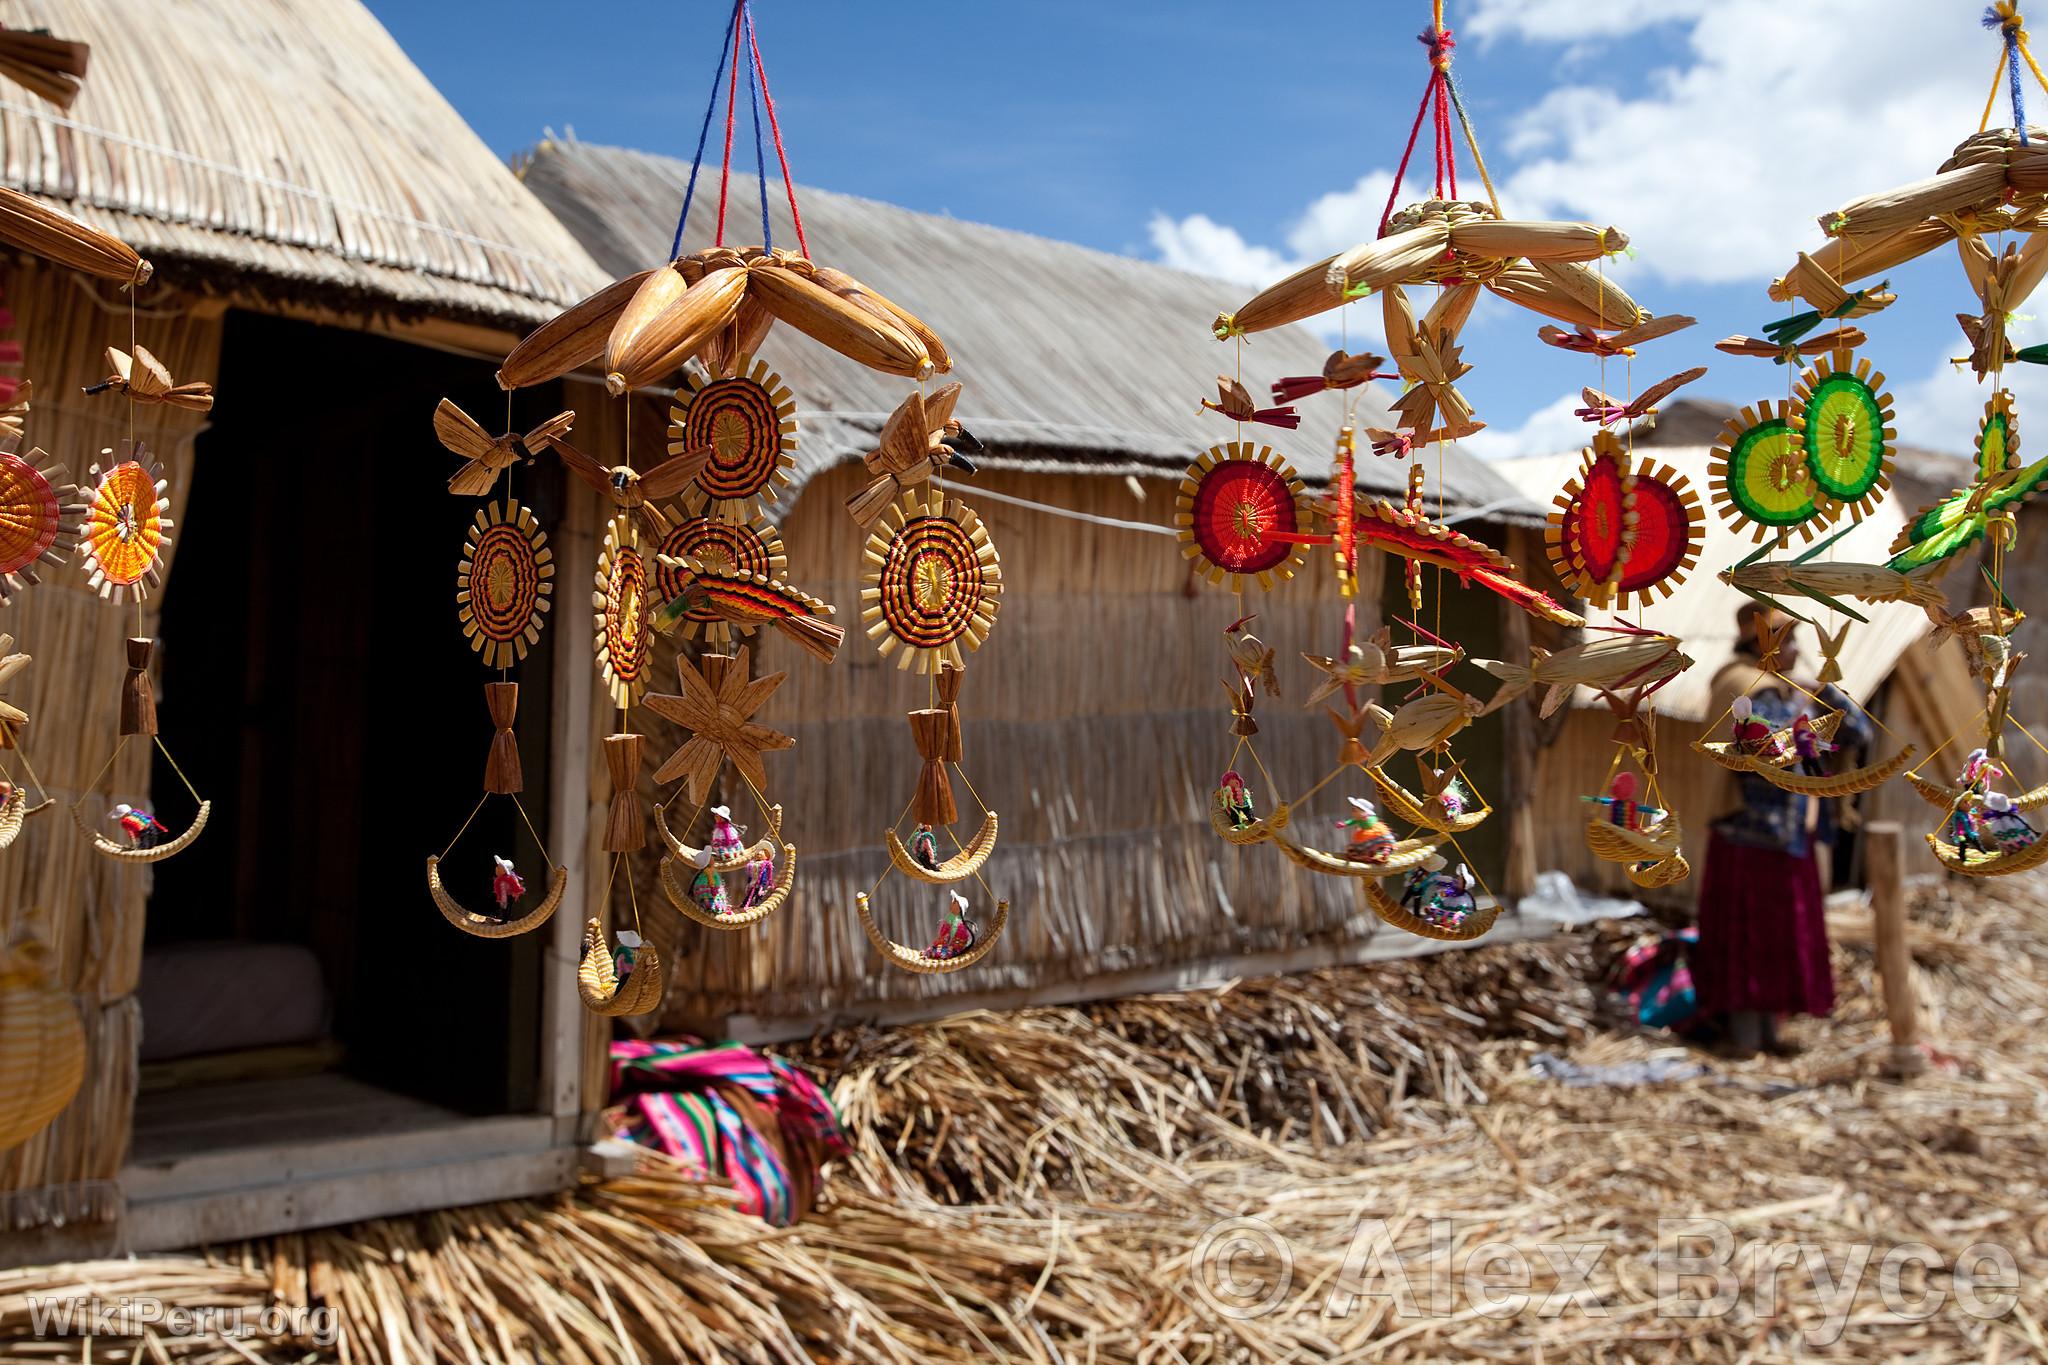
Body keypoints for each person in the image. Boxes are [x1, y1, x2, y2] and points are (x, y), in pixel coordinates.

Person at [1695, 604, 1872, 1055]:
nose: (1796, 649)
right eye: (1786, 640)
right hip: (1749, 835)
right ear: (1761, 646)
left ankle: (1770, 1032)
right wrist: (1811, 718)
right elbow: (1778, 749)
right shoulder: (1744, 686)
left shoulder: (1785, 690)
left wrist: (1826, 692)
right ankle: (1744, 1035)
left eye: (1794, 640)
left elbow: (1858, 733)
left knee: (1778, 934)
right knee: (1749, 934)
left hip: (1787, 836)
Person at [1336, 796, 1395, 862]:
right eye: (1353, 810)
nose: (1352, 812)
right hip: (1364, 834)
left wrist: (1366, 818)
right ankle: (1365, 855)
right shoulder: (1358, 819)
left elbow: (1372, 821)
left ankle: (1383, 851)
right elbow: (1351, 821)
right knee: (1360, 846)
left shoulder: (1369, 817)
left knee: (1381, 842)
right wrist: (1344, 824)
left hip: (1375, 832)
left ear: (1363, 811)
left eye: (1355, 810)